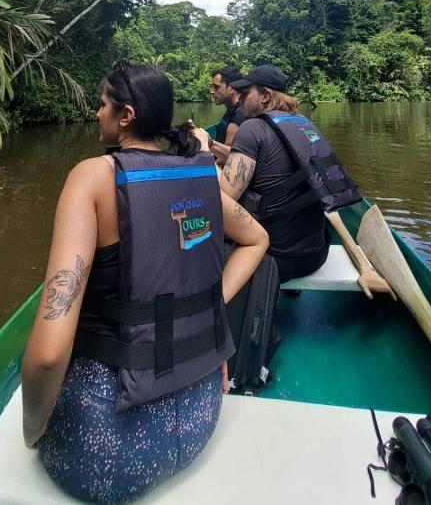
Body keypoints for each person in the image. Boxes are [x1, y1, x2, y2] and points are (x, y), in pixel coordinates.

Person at [22, 62, 268, 503]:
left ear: (126, 115)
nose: (96, 114)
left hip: (106, 453)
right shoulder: (204, 174)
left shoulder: (92, 177)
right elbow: (256, 240)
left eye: (102, 105)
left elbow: (48, 355)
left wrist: (33, 430)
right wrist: (212, 318)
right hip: (200, 419)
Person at [218, 65, 362, 284]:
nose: (240, 100)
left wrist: (202, 157)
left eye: (247, 94)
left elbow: (226, 197)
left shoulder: (251, 128)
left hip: (272, 257)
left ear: (265, 96)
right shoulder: (304, 124)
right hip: (316, 255)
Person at [209, 66, 246, 164]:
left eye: (216, 87)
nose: (212, 92)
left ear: (231, 88)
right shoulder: (231, 110)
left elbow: (225, 158)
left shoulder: (239, 113)